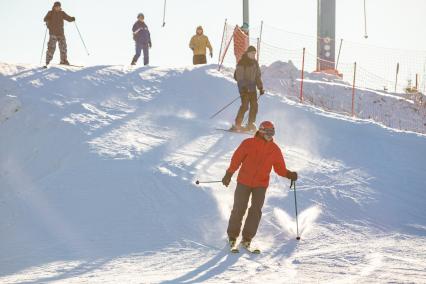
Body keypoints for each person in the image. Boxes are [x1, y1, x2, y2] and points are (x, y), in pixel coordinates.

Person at [222, 121, 298, 250]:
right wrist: (229, 173)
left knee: (255, 211)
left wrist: (289, 174)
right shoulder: (248, 143)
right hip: (244, 181)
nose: (270, 135)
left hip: (261, 184)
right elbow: (236, 159)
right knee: (239, 208)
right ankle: (232, 236)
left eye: (272, 132)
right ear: (261, 131)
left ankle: (247, 239)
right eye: (268, 132)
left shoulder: (274, 149)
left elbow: (279, 168)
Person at [232, 45, 264, 132]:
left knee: (254, 106)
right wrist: (243, 88)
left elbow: (258, 76)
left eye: (254, 53)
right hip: (244, 89)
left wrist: (260, 87)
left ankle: (250, 124)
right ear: (248, 53)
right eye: (252, 53)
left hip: (253, 89)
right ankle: (237, 124)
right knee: (245, 106)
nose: (253, 55)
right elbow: (239, 78)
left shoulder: (255, 63)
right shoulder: (242, 62)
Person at [43, 1, 75, 66]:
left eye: (59, 6)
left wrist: (72, 19)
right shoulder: (50, 13)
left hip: (61, 33)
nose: (57, 8)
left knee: (63, 47)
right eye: (56, 7)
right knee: (51, 48)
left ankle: (63, 60)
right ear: (54, 7)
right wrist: (47, 19)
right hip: (53, 33)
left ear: (60, 7)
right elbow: (45, 19)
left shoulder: (62, 13)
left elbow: (68, 18)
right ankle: (47, 61)